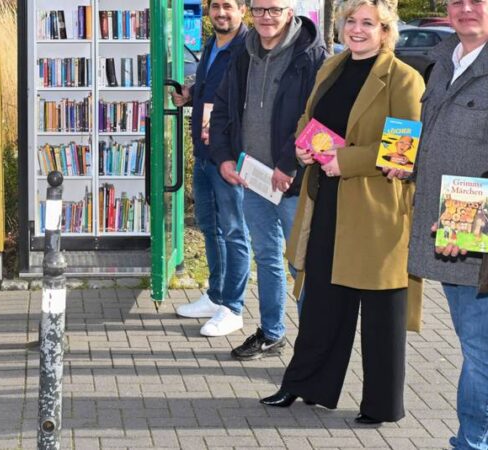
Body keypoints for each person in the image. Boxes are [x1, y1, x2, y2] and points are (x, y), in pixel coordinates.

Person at [259, 0, 425, 425]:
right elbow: (308, 118)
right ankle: (303, 384)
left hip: (376, 211)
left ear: (385, 31)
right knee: (321, 304)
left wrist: (345, 160)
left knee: (380, 313)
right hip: (328, 203)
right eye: (350, 20)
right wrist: (301, 144)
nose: (356, 29)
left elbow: (403, 152)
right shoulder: (331, 68)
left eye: (368, 23)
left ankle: (381, 405)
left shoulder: (403, 79)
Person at [208, 0, 326, 359]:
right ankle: (273, 333)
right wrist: (224, 156)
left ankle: (314, 347)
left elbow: (319, 117)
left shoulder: (313, 56)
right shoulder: (244, 52)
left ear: (290, 12)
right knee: (267, 257)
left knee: (299, 263)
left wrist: (289, 164)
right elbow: (223, 106)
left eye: (274, 10)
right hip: (254, 178)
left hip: (293, 180)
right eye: (259, 10)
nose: (265, 18)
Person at [407, 0, 488, 445]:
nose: (466, 9)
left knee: (481, 354)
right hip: (446, 236)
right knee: (474, 349)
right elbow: (432, 134)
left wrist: (469, 221)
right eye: (457, 1)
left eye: (477, 1)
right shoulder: (442, 62)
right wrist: (407, 163)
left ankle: (471, 442)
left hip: (474, 241)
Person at [171, 0, 253, 338]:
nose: (221, 12)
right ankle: (216, 296)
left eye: (229, 6)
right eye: (216, 6)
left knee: (234, 230)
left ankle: (233, 308)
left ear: (243, 11)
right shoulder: (211, 44)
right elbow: (213, 92)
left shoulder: (248, 49)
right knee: (210, 225)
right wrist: (190, 94)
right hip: (205, 153)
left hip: (230, 157)